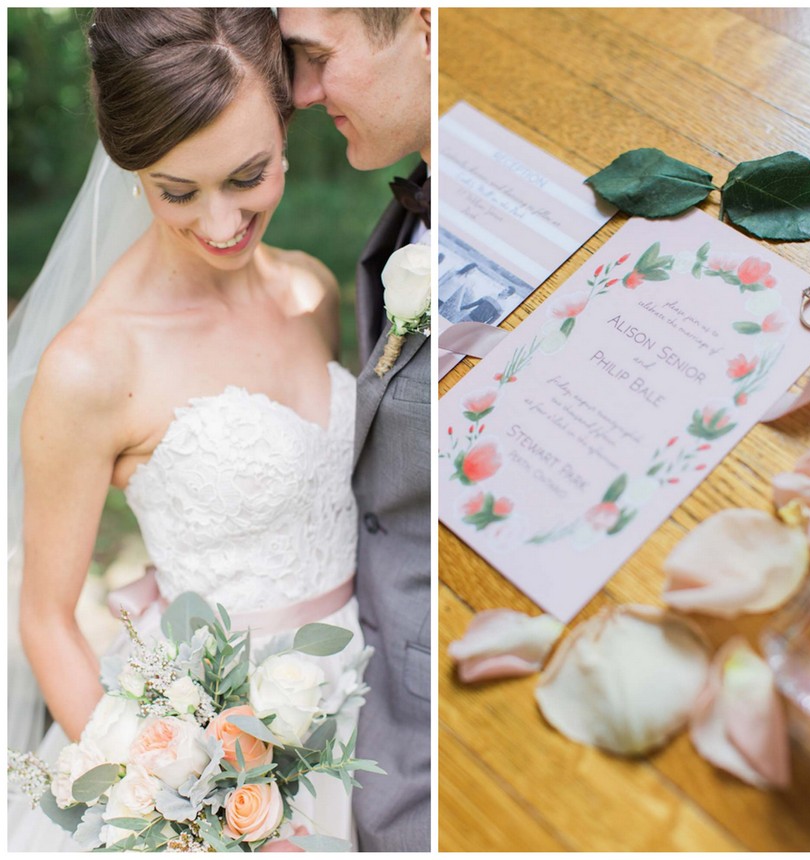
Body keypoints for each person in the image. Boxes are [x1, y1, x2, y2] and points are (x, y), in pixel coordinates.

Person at [9, 10, 369, 849]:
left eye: (248, 178)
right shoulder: (93, 366)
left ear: (286, 123)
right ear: (133, 169)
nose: (219, 224)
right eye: (178, 191)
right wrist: (163, 800)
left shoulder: (313, 292)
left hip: (368, 707)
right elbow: (47, 618)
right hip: (215, 756)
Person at [278, 8, 431, 851]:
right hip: (341, 701)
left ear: (428, 27)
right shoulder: (410, 211)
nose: (300, 93)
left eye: (316, 58)